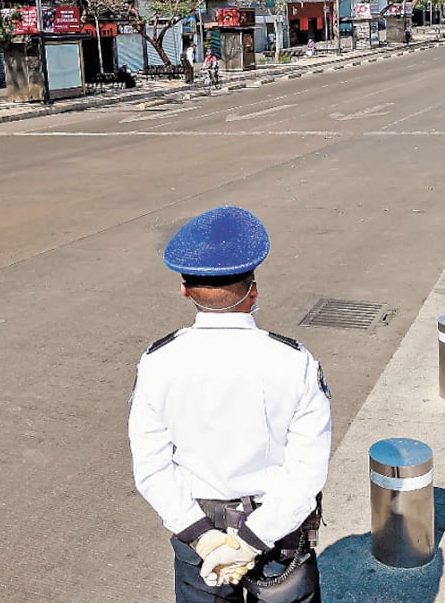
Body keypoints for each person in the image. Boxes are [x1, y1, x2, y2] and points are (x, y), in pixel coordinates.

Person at [129, 206, 332, 603]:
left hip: (198, 538)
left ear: (185, 290)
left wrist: (205, 540)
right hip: (278, 541)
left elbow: (151, 468)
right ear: (253, 290)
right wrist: (252, 541)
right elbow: (307, 470)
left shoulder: (158, 362)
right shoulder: (293, 362)